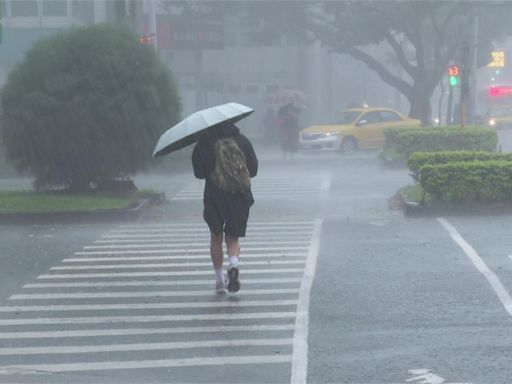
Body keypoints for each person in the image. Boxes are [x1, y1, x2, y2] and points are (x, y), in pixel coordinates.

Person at [192, 123, 258, 293]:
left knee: (216, 236)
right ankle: (234, 263)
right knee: (233, 236)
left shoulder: (204, 143)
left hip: (214, 195)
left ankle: (219, 280)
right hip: (239, 195)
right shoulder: (242, 140)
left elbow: (199, 174)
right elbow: (253, 170)